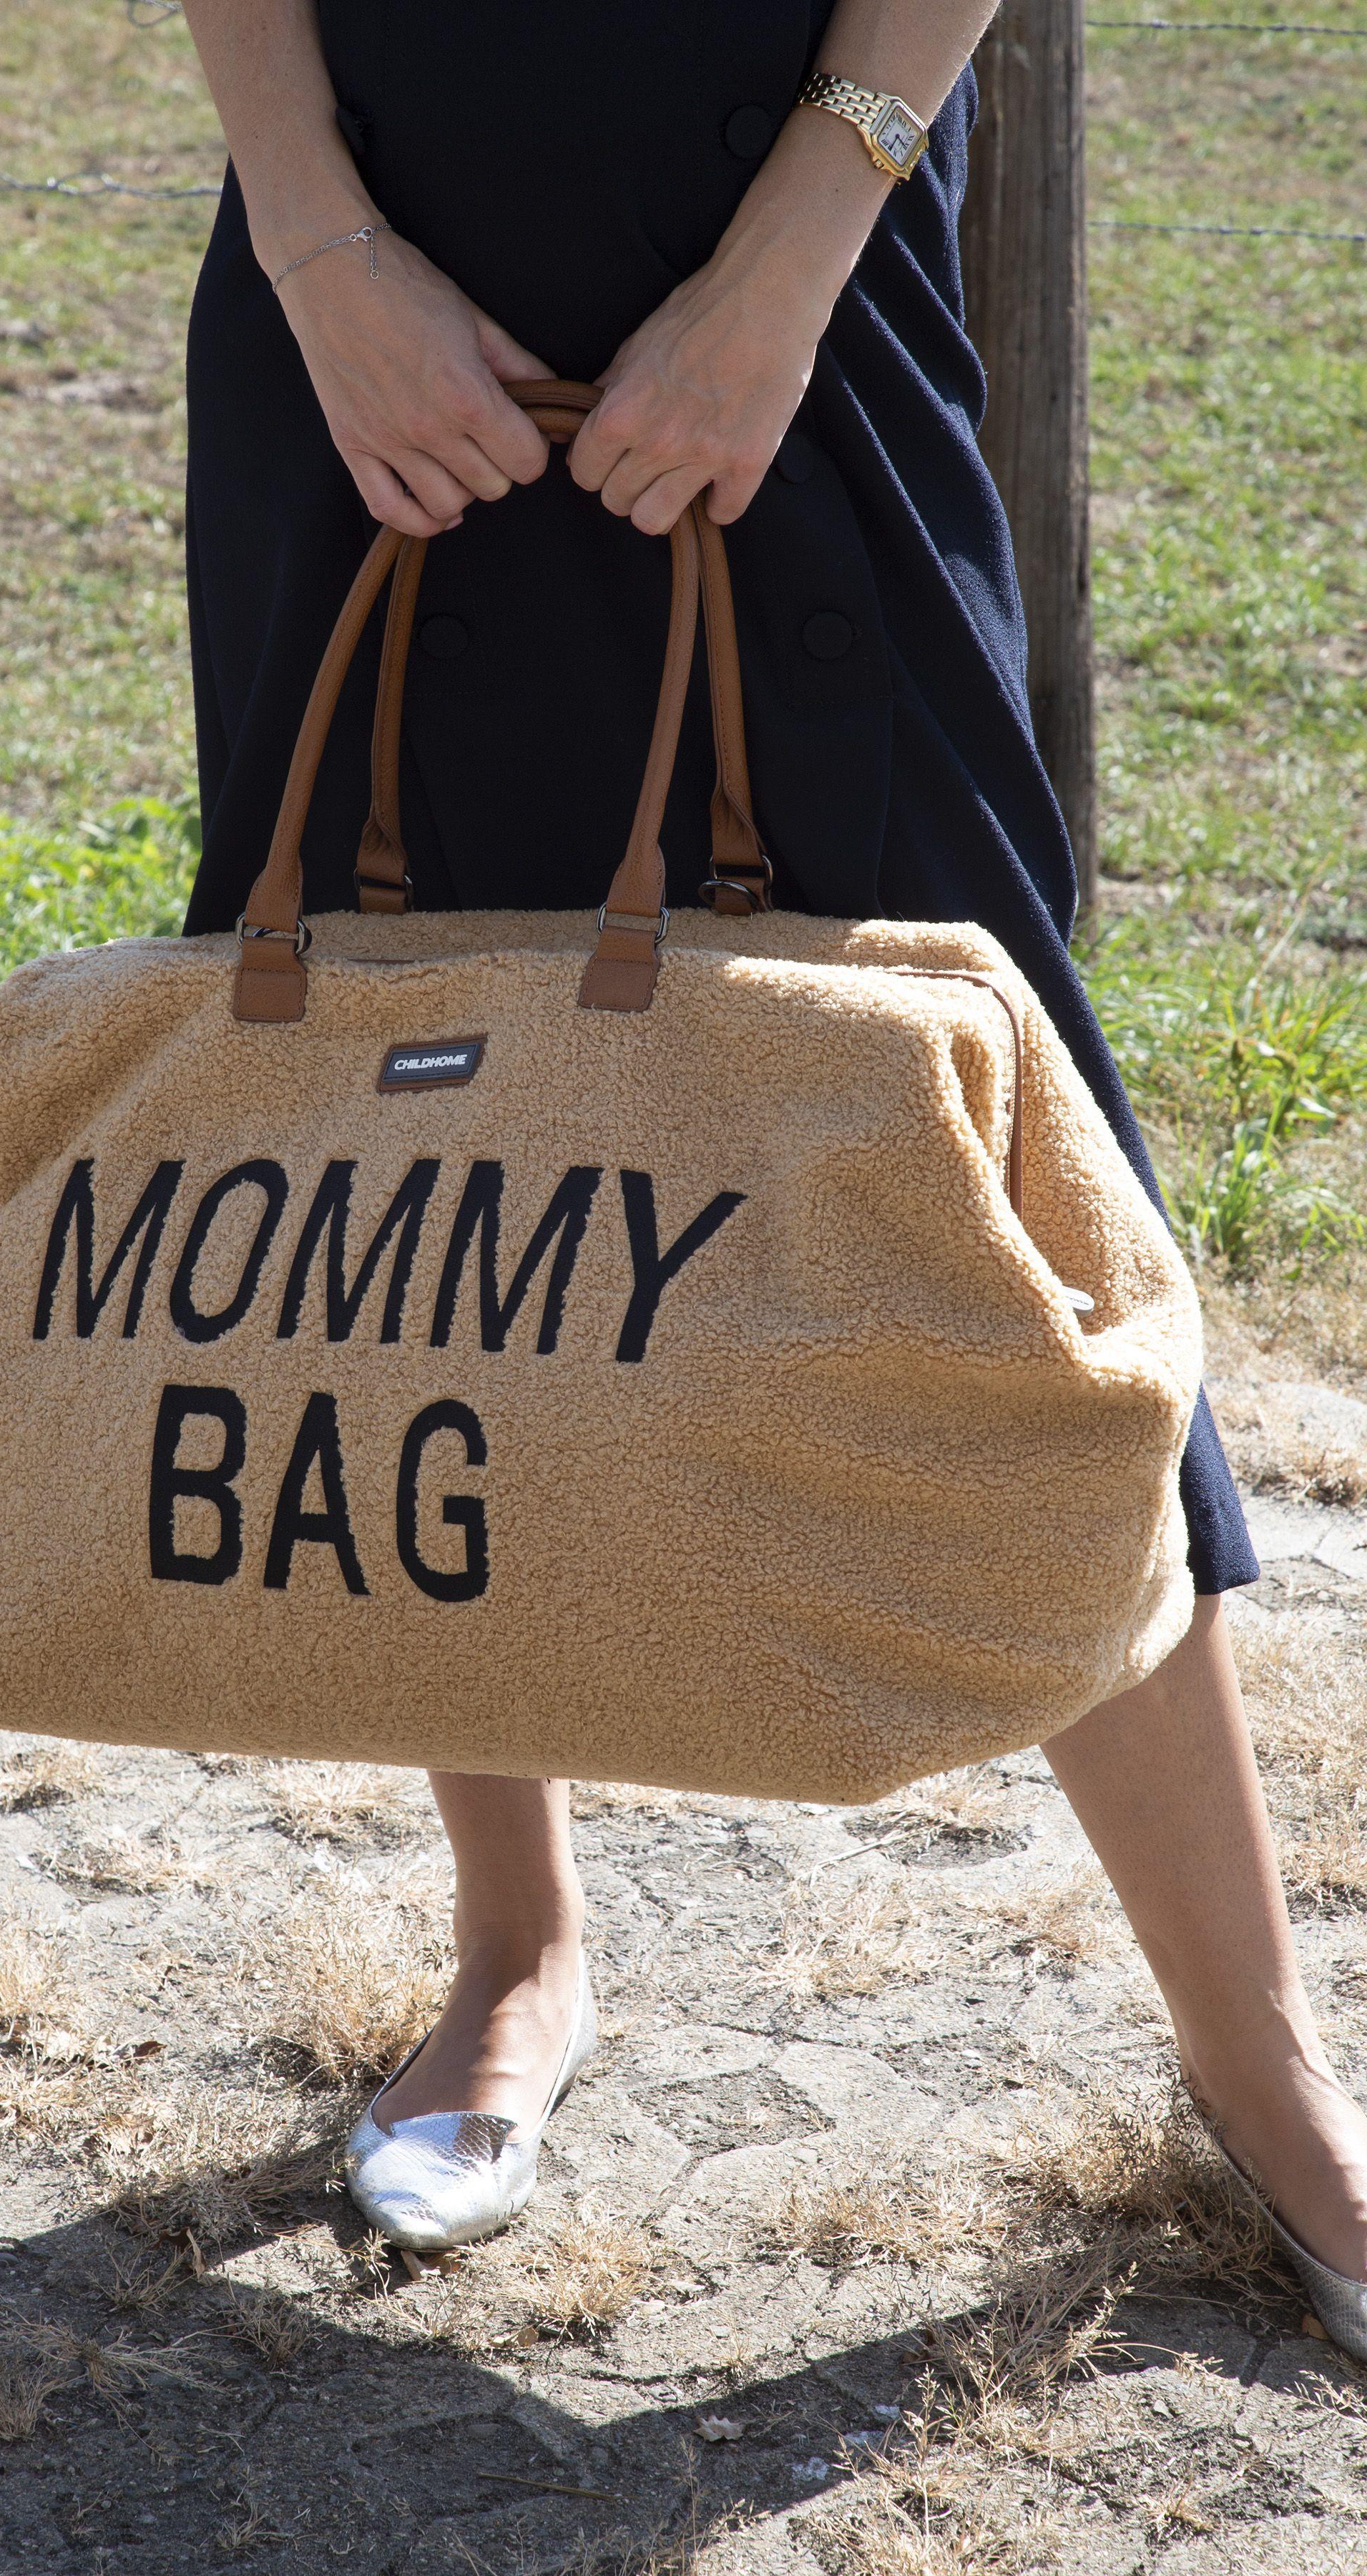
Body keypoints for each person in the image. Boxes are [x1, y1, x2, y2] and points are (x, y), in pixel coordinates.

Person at [174, 0, 1367, 2328]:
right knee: (425, 1156)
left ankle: (1270, 2074)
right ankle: (515, 1954)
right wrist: (318, 242)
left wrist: (795, 253)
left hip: (805, 256)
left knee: (1013, 1183)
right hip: (371, 296)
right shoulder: (340, 278)